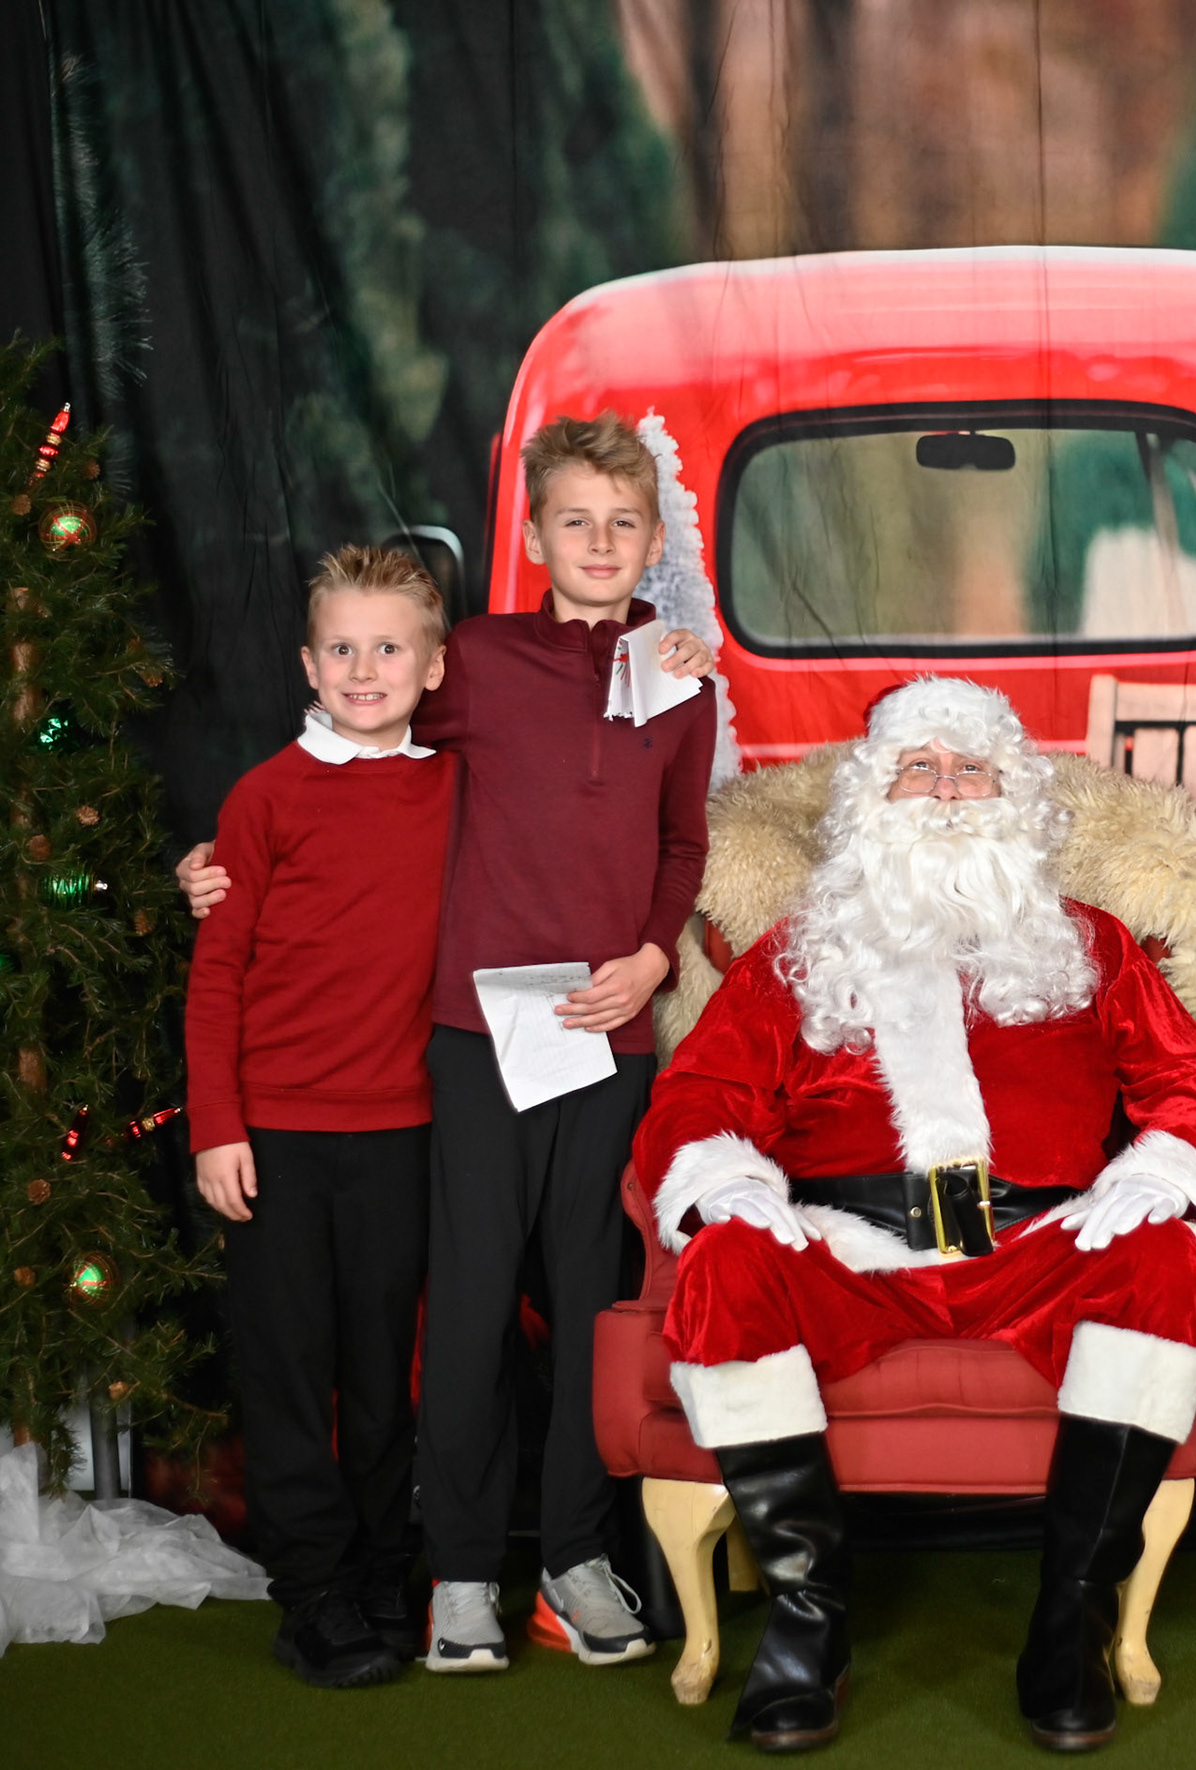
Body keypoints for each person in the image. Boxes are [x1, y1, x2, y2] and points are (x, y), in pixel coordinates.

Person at [179, 412, 718, 1672]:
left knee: (590, 1305)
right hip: (476, 1039)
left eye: (622, 524)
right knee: (469, 1307)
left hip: (608, 1038)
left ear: (653, 541)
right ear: (534, 535)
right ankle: (462, 1570)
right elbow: (362, 763)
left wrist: (653, 954)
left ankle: (575, 1560)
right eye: (574, 520)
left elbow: (682, 842)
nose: (598, 542)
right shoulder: (471, 658)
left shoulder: (681, 678)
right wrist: (213, 866)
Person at [633, 675, 1196, 1753]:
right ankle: (808, 1623)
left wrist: (1162, 1173)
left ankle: (1070, 1619)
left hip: (1038, 1244)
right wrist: (726, 1183)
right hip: (848, 1249)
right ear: (875, 797)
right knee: (725, 1264)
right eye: (920, 768)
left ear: (1015, 797)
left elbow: (1184, 1083)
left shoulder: (1092, 945)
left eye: (971, 769)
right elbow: (700, 1095)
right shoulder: (798, 954)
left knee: (1160, 1259)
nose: (948, 789)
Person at [186, 546, 452, 1687]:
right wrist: (216, 1124)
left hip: (402, 1132)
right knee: (290, 1369)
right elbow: (218, 973)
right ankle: (312, 1593)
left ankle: (385, 1571)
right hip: (276, 1134)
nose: (364, 668)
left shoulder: (457, 787)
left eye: (389, 647)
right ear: (307, 664)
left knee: (383, 1368)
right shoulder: (264, 798)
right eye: (341, 648)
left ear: (433, 668)